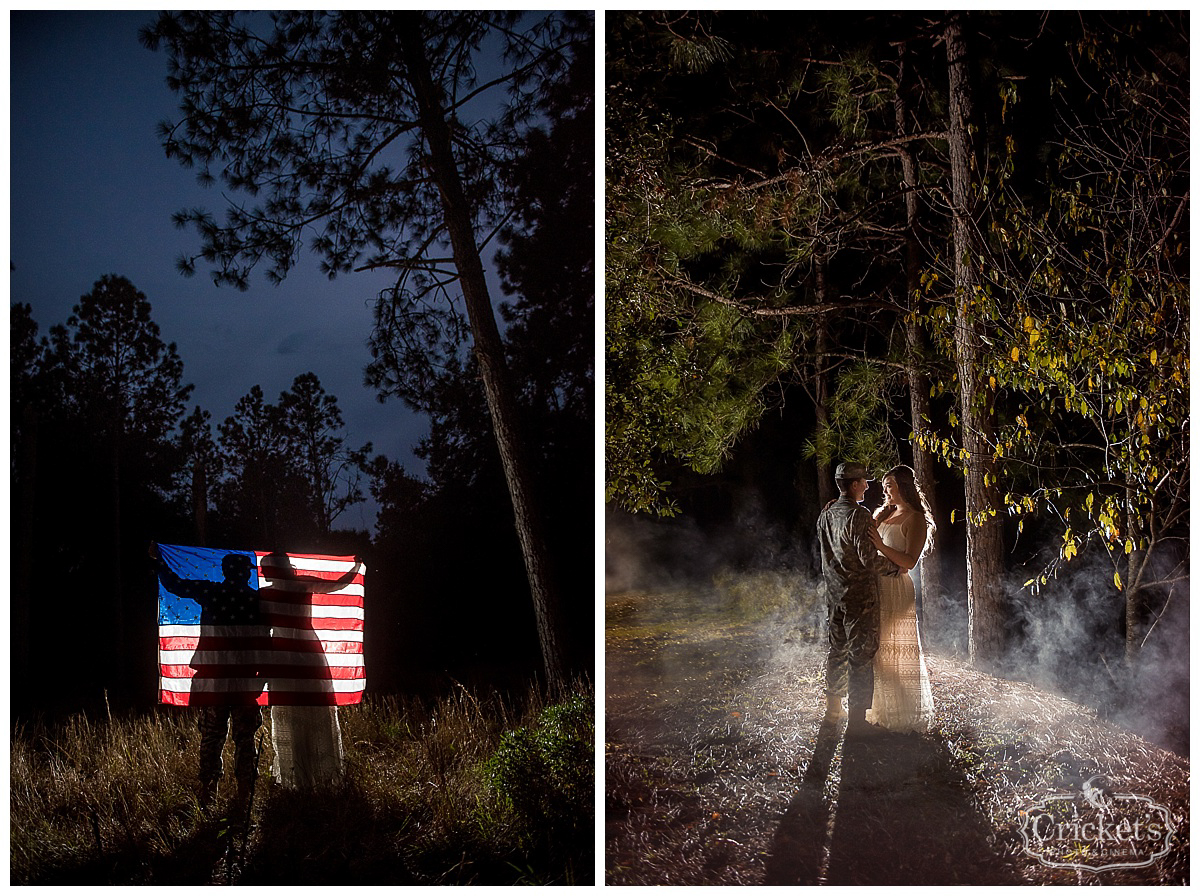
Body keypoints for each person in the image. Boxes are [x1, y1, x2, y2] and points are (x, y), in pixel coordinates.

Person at [150, 543, 267, 808]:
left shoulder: (211, 591)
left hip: (213, 677)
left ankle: (208, 791)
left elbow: (176, 585)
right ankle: (244, 793)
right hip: (245, 680)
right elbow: (267, 638)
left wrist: (158, 561)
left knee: (212, 735)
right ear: (244, 574)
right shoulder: (255, 600)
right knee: (244, 736)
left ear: (226, 572)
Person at [815, 462, 900, 734]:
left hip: (835, 596)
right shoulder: (859, 514)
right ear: (853, 485)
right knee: (861, 658)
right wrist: (896, 567)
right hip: (860, 599)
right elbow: (868, 559)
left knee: (837, 652)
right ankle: (858, 723)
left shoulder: (826, 514)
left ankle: (832, 711)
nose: (867, 485)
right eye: (864, 481)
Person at [865, 465, 936, 732]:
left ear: (904, 486)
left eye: (889, 485)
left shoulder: (915, 518)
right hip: (876, 586)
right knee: (878, 650)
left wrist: (881, 546)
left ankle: (903, 714)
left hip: (896, 587)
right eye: (884, 486)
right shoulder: (884, 514)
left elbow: (909, 562)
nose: (885, 490)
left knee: (896, 648)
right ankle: (880, 708)